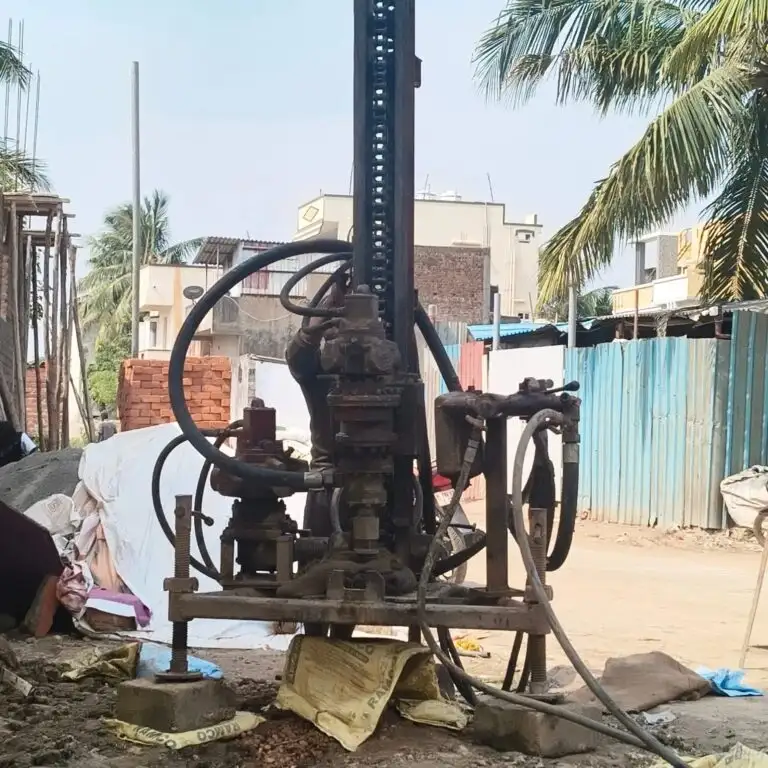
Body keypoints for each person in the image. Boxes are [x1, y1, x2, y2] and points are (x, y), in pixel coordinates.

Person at [285, 280, 346, 538]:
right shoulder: (319, 375)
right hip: (326, 483)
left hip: (383, 482)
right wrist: (311, 331)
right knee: (318, 555)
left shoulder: (386, 371)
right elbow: (297, 360)